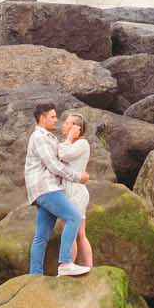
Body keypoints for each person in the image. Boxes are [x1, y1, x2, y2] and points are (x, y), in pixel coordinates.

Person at [24, 102, 86, 277]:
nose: (56, 120)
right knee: (73, 216)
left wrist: (70, 139)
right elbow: (53, 165)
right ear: (42, 118)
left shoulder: (49, 137)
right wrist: (78, 177)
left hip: (43, 189)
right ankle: (65, 262)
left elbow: (62, 154)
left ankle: (34, 276)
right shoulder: (39, 137)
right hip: (47, 188)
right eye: (52, 117)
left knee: (41, 236)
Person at [56, 111, 95, 275]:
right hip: (71, 191)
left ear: (76, 128)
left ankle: (69, 265)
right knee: (78, 233)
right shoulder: (69, 143)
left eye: (68, 123)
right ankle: (83, 267)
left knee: (74, 232)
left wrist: (69, 138)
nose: (64, 125)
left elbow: (64, 155)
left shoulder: (81, 144)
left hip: (75, 192)